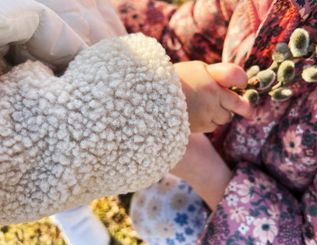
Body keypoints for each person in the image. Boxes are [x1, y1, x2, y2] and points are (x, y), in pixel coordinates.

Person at [118, 0, 317, 244]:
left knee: (162, 217)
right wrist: (108, 27)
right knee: (153, 206)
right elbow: (187, 34)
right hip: (218, 146)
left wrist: (201, 168)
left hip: (253, 209)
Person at [0, 0, 251, 226]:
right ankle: (77, 225)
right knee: (61, 184)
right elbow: (25, 148)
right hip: (83, 112)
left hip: (81, 29)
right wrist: (155, 102)